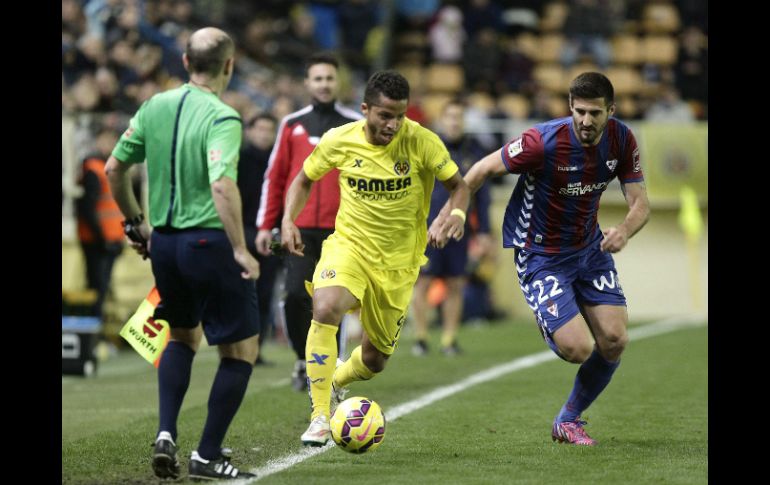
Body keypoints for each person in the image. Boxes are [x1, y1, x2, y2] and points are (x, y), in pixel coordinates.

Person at [433, 72, 650, 445]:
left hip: (589, 249)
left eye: (594, 113)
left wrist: (624, 231)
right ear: (570, 107)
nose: (585, 120)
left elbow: (640, 203)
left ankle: (569, 420)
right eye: (579, 111)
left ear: (610, 111)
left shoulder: (621, 139)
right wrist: (453, 212)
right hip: (540, 254)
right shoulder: (541, 142)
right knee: (578, 348)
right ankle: (550, 317)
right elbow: (481, 170)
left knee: (614, 339)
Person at [281, 70, 471, 446]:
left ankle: (335, 379)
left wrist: (455, 215)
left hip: (399, 264)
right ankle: (320, 415)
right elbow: (303, 178)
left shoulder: (421, 141)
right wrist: (288, 219)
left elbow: (459, 186)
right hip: (349, 246)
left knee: (374, 360)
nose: (393, 124)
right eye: (385, 115)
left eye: (400, 115)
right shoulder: (341, 140)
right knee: (326, 305)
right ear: (365, 109)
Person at [105, 27, 259, 480]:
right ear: (229, 66)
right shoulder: (223, 118)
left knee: (181, 336)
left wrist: (137, 224)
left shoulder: (154, 106)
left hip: (165, 244)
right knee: (240, 349)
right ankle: (207, 455)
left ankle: (167, 432)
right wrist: (240, 249)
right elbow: (221, 184)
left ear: (186, 63)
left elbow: (115, 169)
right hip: (207, 241)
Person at [255, 52, 362, 391]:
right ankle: (304, 360)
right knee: (294, 296)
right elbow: (276, 177)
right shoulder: (291, 125)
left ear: (338, 82)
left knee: (333, 300)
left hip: (340, 230)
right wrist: (266, 225)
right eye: (318, 78)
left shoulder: (353, 125)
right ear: (307, 83)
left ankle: (332, 366)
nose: (324, 84)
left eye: (329, 78)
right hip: (297, 230)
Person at [411, 99, 491, 356]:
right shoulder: (428, 147)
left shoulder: (474, 150)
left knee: (456, 283)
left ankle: (448, 340)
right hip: (427, 227)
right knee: (422, 282)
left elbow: (483, 194)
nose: (455, 122)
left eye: (459, 117)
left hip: (458, 228)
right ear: (442, 121)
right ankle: (421, 338)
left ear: (464, 121)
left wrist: (485, 231)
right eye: (450, 117)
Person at [238, 113, 281, 366]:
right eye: (260, 129)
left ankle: (256, 349)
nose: (264, 134)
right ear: (250, 131)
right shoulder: (239, 159)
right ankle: (240, 348)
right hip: (244, 232)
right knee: (243, 292)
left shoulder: (278, 162)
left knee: (266, 293)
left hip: (273, 235)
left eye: (269, 129)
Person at [75, 128, 124, 319]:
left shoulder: (110, 167)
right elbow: (88, 208)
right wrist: (101, 238)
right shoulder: (93, 168)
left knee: (102, 288)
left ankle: (96, 333)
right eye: (109, 140)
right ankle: (92, 335)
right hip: (97, 241)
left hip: (110, 239)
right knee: (97, 288)